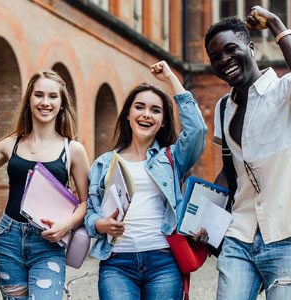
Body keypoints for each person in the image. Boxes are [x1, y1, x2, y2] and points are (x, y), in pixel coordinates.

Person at [206, 7, 291, 300]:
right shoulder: (223, 107)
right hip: (240, 231)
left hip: (286, 229)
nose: (224, 60)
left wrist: (275, 22)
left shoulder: (286, 91)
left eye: (231, 49)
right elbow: (229, 172)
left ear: (251, 47)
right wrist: (205, 220)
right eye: (215, 57)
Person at [84, 61, 207, 300]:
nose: (146, 114)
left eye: (155, 110)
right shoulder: (103, 164)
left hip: (163, 261)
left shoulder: (171, 158)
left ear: (163, 121)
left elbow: (197, 132)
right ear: (128, 114)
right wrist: (100, 225)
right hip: (116, 262)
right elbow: (91, 212)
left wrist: (171, 78)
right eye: (139, 107)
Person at [0, 70, 91, 299]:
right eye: (39, 95)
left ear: (62, 104)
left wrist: (65, 226)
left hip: (48, 243)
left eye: (53, 96)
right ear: (29, 100)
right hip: (8, 240)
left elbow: (86, 202)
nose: (45, 102)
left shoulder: (73, 150)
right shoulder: (10, 145)